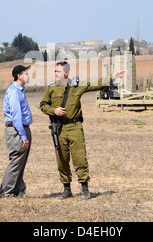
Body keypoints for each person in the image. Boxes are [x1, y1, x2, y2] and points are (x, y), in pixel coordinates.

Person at [40, 61, 124, 199]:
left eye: (58, 71)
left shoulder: (76, 86)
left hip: (75, 127)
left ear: (66, 73)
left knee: (79, 158)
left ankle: (85, 188)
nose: (55, 74)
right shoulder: (51, 88)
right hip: (59, 128)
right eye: (55, 71)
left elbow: (95, 84)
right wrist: (53, 110)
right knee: (62, 159)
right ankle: (66, 189)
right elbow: (43, 105)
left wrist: (112, 77)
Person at [0, 65, 33, 197]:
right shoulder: (14, 92)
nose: (28, 76)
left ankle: (17, 190)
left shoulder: (20, 90)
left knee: (21, 161)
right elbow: (16, 117)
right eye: (26, 73)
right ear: (19, 76)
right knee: (16, 160)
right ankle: (6, 192)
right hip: (17, 130)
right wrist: (24, 137)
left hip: (21, 129)